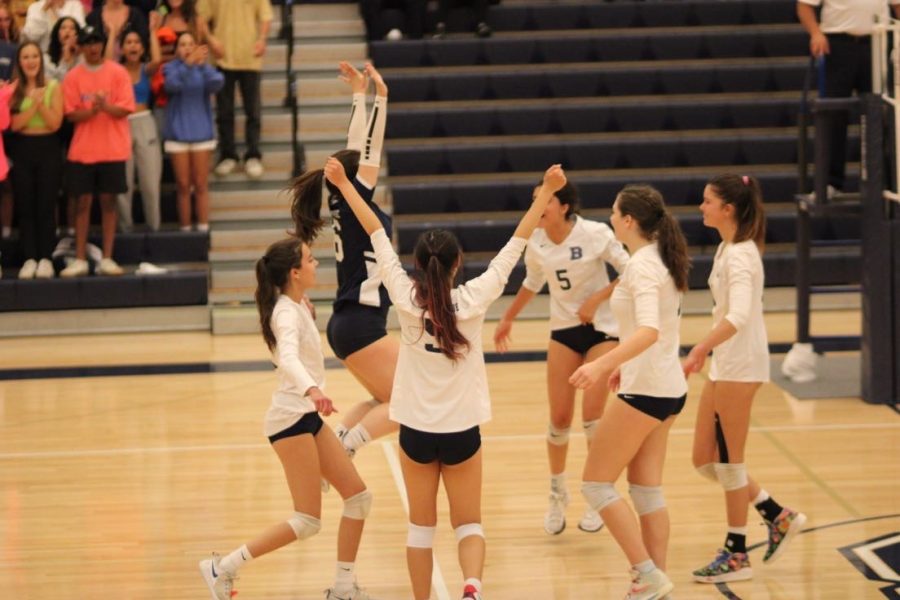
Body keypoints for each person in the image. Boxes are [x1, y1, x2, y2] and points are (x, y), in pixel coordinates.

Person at [326, 156, 567, 600]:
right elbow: (516, 243)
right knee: (468, 523)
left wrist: (343, 186)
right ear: (458, 265)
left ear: (418, 265)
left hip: (416, 432)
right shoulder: (475, 297)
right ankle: (471, 588)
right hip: (462, 430)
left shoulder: (403, 296)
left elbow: (376, 234)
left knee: (420, 528)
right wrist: (548, 191)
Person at [199, 237, 378, 600]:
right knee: (308, 521)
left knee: (358, 498)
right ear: (294, 273)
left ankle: (344, 588)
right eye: (310, 260)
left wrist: (303, 311)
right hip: (289, 422)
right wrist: (313, 390)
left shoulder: (294, 305)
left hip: (305, 419)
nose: (316, 265)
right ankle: (222, 567)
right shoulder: (284, 312)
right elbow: (289, 357)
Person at [683, 174, 808, 583]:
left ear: (728, 209)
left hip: (739, 365)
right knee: (704, 458)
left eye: (707, 201)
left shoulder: (739, 256)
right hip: (727, 364)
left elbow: (737, 316)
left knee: (730, 461)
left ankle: (736, 553)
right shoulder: (730, 248)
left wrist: (701, 347)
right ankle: (776, 514)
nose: (701, 207)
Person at [569, 185, 690, 600]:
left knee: (596, 485)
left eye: (615, 211)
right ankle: (655, 584)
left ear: (629, 221)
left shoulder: (641, 266)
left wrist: (603, 364)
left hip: (648, 392)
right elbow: (654, 331)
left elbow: (649, 331)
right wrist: (623, 364)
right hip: (668, 387)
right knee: (645, 489)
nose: (610, 218)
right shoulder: (660, 259)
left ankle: (646, 574)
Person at [494, 182, 629, 536]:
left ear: (565, 206)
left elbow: (631, 270)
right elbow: (532, 282)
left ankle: (598, 495)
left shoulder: (595, 233)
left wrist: (597, 298)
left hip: (603, 330)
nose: (538, 204)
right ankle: (557, 494)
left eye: (546, 198)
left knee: (592, 417)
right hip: (564, 330)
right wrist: (508, 317)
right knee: (559, 418)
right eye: (535, 197)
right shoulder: (536, 243)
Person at [290, 62, 398, 460]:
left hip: (350, 323)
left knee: (383, 400)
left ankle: (334, 449)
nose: (372, 166)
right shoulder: (356, 200)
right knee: (409, 400)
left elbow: (355, 149)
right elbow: (368, 148)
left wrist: (358, 92)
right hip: (361, 322)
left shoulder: (342, 197)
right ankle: (347, 449)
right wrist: (380, 96)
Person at [796, 0, 900, 195]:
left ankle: (883, 184)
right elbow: (804, 6)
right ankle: (830, 183)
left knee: (879, 116)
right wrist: (816, 33)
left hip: (877, 43)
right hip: (837, 44)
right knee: (832, 115)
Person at [60, 24, 134, 277]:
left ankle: (107, 257)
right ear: (80, 46)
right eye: (88, 42)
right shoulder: (72, 77)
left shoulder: (118, 72)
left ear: (103, 44)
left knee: (109, 203)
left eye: (96, 41)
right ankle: (80, 258)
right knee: (82, 203)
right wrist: (92, 110)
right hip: (83, 150)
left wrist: (103, 106)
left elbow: (125, 108)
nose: (93, 47)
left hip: (112, 149)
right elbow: (69, 114)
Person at [198, 0, 271, 179]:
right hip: (222, 57)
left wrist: (262, 39)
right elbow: (201, 17)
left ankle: (253, 155)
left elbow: (265, 16)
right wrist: (210, 39)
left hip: (250, 57)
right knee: (224, 111)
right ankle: (227, 155)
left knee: (253, 111)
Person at [10, 41, 63, 279]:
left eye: (34, 56)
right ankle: (29, 258)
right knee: (26, 205)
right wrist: (34, 104)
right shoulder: (13, 90)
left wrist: (39, 102)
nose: (30, 61)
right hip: (22, 149)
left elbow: (54, 123)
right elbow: (15, 124)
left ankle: (46, 258)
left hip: (48, 149)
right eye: (25, 57)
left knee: (46, 204)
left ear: (40, 60)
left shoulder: (53, 86)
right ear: (19, 62)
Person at [162, 31, 222, 232]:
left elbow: (218, 83)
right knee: (183, 185)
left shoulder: (204, 70)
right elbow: (171, 85)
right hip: (178, 134)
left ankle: (204, 227)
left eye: (190, 44)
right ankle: (185, 228)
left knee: (201, 184)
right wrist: (188, 65)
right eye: (182, 44)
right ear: (177, 49)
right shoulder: (171, 68)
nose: (186, 48)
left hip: (201, 133)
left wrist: (202, 65)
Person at [116, 21, 161, 231]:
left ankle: (154, 226)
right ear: (122, 48)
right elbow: (107, 59)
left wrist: (151, 30)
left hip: (144, 121)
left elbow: (158, 60)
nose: (133, 46)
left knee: (150, 182)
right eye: (128, 42)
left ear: (142, 48)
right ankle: (126, 228)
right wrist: (113, 35)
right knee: (123, 182)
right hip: (121, 124)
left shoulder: (146, 69)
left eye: (136, 42)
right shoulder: (116, 70)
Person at [0, 4, 20, 241]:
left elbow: (19, 82)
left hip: (8, 125)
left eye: (6, 19)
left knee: (7, 183)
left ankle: (6, 232)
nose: (2, 23)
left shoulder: (12, 50)